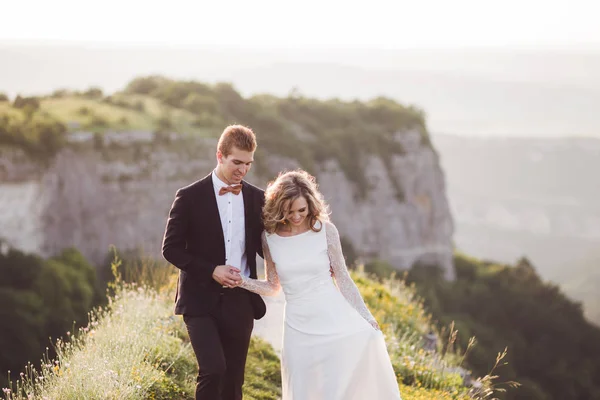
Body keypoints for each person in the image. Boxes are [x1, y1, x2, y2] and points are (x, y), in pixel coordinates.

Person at [238, 169, 402, 399]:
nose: (296, 216)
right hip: (297, 326)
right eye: (289, 211)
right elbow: (273, 286)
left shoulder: (325, 231)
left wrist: (366, 315)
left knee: (337, 383)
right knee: (304, 388)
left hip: (332, 316)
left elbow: (343, 278)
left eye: (302, 210)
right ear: (279, 207)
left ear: (311, 205)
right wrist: (241, 281)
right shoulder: (270, 238)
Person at [161, 124, 267, 400]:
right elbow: (170, 249)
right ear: (219, 155)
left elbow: (267, 246)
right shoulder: (189, 197)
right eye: (236, 162)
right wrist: (212, 270)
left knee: (234, 379)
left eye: (248, 164)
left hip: (241, 301)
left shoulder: (257, 199)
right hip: (199, 299)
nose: (242, 169)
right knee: (213, 369)